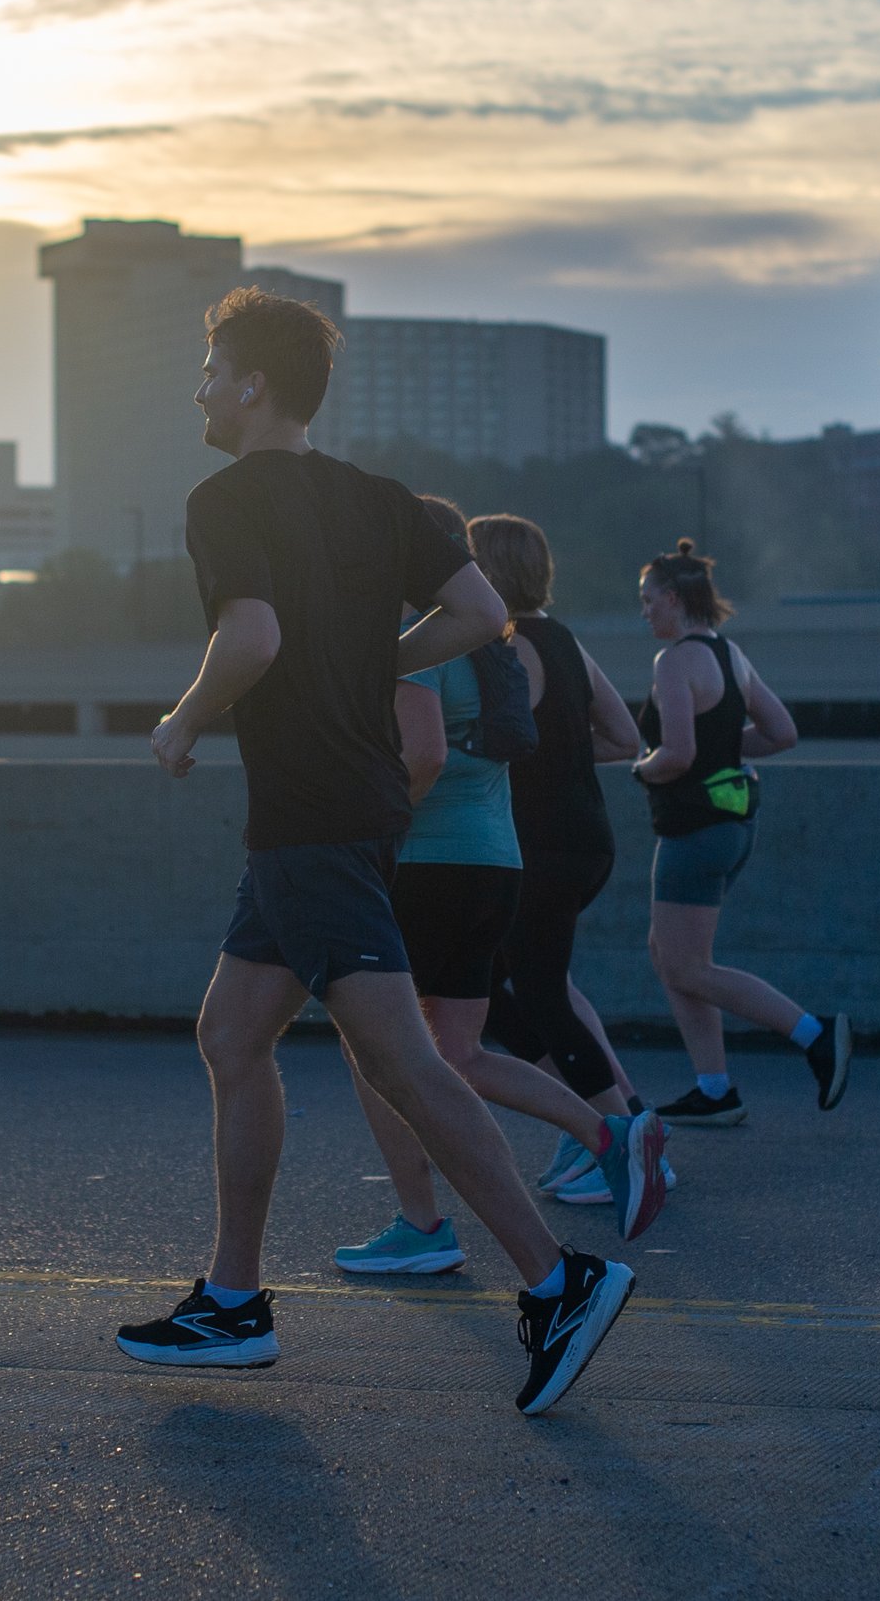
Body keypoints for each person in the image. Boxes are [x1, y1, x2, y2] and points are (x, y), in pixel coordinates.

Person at [118, 287, 633, 1417]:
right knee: (232, 1030)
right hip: (343, 810)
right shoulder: (382, 501)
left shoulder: (225, 499)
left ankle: (558, 1277)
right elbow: (483, 614)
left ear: (252, 384)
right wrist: (368, 662)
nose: (198, 386)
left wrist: (182, 719)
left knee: (405, 1063)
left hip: (311, 813)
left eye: (209, 366)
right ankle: (234, 1299)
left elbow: (248, 635)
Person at [332, 498, 667, 1275]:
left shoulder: (421, 643)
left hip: (428, 863)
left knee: (370, 1045)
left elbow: (423, 756)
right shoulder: (497, 639)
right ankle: (610, 1131)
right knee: (460, 1053)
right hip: (495, 860)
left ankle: (421, 1226)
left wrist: (374, 831)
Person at [463, 513, 665, 1203]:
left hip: (540, 848)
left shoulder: (506, 645)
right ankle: (609, 1119)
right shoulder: (565, 641)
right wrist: (561, 753)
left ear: (485, 570)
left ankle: (619, 1137)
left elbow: (484, 742)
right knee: (494, 986)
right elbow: (623, 737)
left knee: (538, 989)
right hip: (581, 839)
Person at [632, 540, 849, 1127]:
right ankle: (714, 1087)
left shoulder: (674, 662)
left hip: (692, 827)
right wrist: (721, 746)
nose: (645, 612)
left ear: (675, 600)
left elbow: (674, 755)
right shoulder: (731, 655)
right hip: (731, 825)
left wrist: (640, 765)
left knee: (687, 967)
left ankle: (814, 1034)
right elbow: (781, 733)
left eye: (650, 601)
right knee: (669, 954)